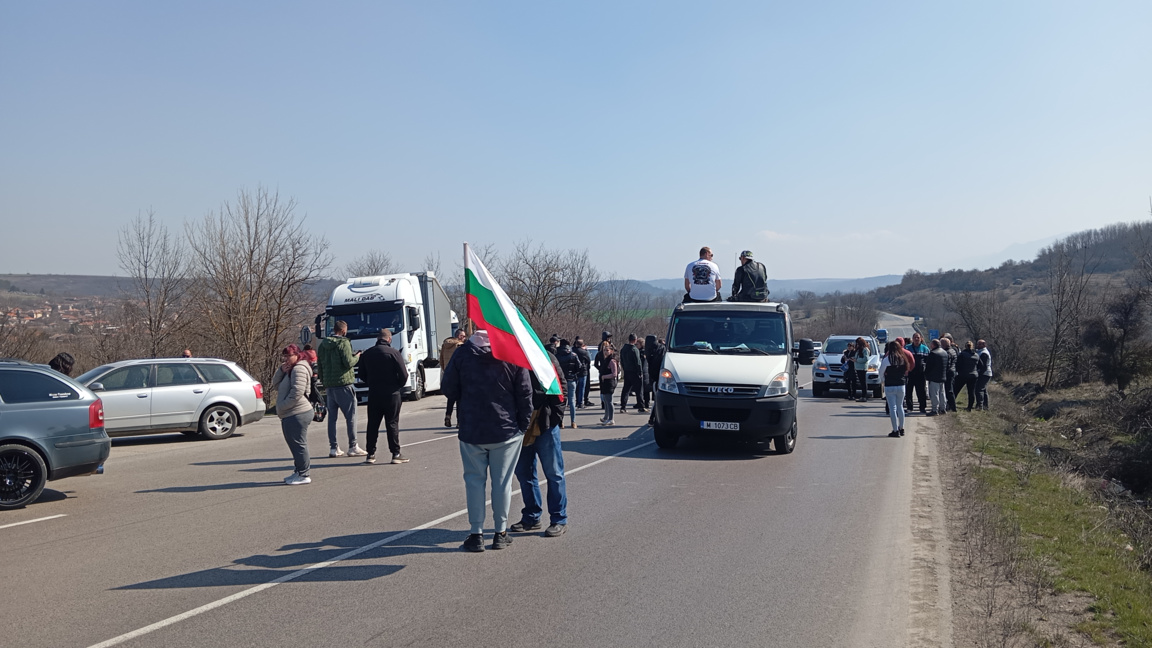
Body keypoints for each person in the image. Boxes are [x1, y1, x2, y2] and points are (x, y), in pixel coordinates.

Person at [442, 330, 532, 552]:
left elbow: (448, 389)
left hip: (472, 428)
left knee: (474, 482)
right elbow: (525, 392)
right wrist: (523, 425)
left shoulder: (462, 354)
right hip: (506, 429)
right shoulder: (511, 352)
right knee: (502, 483)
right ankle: (500, 533)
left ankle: (476, 533)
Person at [510, 349, 568, 538]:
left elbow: (561, 389)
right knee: (524, 473)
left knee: (554, 473)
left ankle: (559, 519)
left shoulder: (546, 358)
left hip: (546, 423)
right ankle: (532, 516)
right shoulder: (511, 357)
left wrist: (555, 417)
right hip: (521, 425)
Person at [359, 329, 410, 465]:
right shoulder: (394, 353)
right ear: (389, 339)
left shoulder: (367, 353)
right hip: (392, 393)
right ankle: (395, 453)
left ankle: (370, 454)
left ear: (378, 339)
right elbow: (404, 374)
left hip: (374, 393)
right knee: (392, 423)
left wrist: (371, 382)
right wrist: (397, 386)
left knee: (373, 424)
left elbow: (361, 374)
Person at [317, 320, 367, 458]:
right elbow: (348, 363)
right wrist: (357, 356)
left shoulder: (322, 345)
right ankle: (353, 446)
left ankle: (334, 447)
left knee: (332, 418)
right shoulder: (343, 343)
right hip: (344, 384)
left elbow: (320, 365)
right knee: (351, 417)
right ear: (344, 331)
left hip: (329, 385)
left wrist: (324, 381)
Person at [272, 345, 314, 485]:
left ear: (297, 354)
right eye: (284, 356)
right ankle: (299, 471)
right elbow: (276, 386)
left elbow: (297, 393)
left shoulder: (299, 369)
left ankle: (304, 474)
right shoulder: (290, 369)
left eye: (289, 356)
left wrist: (282, 406)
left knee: (299, 444)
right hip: (290, 413)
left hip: (298, 412)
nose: (286, 360)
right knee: (294, 445)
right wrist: (281, 371)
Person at [879, 341, 910, 437]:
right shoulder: (903, 359)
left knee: (893, 408)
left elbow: (881, 372)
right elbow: (906, 370)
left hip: (890, 385)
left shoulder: (887, 359)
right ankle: (902, 428)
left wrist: (884, 380)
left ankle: (895, 430)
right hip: (901, 385)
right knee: (900, 406)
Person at [440, 329, 467, 427]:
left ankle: (448, 415)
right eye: (463, 336)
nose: (464, 338)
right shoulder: (459, 346)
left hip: (448, 374)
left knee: (451, 398)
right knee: (459, 399)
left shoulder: (445, 345)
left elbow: (441, 360)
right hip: (458, 375)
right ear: (459, 336)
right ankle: (459, 421)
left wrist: (446, 370)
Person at [555, 339, 583, 428]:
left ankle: (561, 422)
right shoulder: (573, 355)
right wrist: (574, 373)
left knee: (561, 401)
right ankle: (573, 422)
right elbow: (579, 367)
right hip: (571, 379)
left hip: (560, 381)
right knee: (572, 401)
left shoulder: (557, 355)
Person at [618, 333, 645, 413]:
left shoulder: (623, 349)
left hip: (626, 371)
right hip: (635, 372)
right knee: (639, 389)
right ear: (635, 340)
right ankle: (641, 406)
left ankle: (623, 406)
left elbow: (622, 360)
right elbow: (638, 362)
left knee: (626, 389)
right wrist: (640, 372)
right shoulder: (634, 349)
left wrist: (624, 368)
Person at [904, 333, 930, 414]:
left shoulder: (925, 349)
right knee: (908, 391)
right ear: (912, 339)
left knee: (921, 391)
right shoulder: (907, 348)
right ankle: (909, 407)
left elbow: (928, 361)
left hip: (920, 374)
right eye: (915, 337)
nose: (916, 339)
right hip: (910, 373)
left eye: (918, 338)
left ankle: (922, 407)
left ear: (921, 338)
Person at [596, 341, 619, 426]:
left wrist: (605, 376)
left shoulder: (612, 361)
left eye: (607, 350)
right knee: (605, 400)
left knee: (609, 401)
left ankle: (611, 419)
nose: (605, 352)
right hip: (604, 383)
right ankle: (606, 417)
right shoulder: (606, 359)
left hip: (609, 382)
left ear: (611, 351)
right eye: (604, 350)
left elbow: (614, 374)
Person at [644, 334, 664, 424]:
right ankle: (652, 419)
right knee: (657, 400)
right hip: (660, 376)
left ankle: (652, 418)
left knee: (657, 399)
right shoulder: (660, 349)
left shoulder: (648, 351)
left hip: (654, 377)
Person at [925, 339, 949, 416]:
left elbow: (929, 366)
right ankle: (943, 408)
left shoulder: (933, 353)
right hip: (942, 376)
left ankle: (935, 409)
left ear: (933, 345)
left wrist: (926, 374)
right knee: (942, 393)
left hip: (934, 376)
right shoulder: (944, 352)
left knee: (934, 394)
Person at [955, 341, 980, 411]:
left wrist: (958, 371)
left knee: (956, 390)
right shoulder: (976, 355)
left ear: (965, 346)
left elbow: (958, 364)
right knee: (971, 392)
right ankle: (969, 407)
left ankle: (950, 404)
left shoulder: (962, 354)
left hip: (963, 375)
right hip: (973, 375)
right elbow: (981, 365)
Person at [572, 337, 592, 408]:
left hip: (574, 371)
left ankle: (576, 401)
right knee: (581, 387)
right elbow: (588, 360)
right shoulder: (584, 352)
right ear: (582, 344)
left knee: (576, 388)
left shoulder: (572, 351)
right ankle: (580, 403)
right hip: (583, 371)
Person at [941, 336, 958, 412]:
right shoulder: (953, 350)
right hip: (953, 371)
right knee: (949, 390)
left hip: (949, 372)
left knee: (949, 390)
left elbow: (947, 364)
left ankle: (952, 407)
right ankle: (951, 406)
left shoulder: (947, 352)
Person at [851, 337, 871, 402]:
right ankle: (863, 396)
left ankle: (864, 396)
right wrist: (853, 358)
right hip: (858, 367)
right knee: (861, 382)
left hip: (862, 368)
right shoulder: (858, 350)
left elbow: (866, 359)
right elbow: (858, 357)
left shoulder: (865, 350)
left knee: (863, 382)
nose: (857, 344)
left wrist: (856, 360)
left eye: (857, 343)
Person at [975, 339, 993, 411]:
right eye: (978, 344)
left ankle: (980, 405)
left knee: (979, 389)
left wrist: (979, 374)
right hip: (986, 373)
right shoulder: (980, 352)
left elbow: (984, 366)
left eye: (980, 344)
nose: (978, 345)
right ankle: (985, 406)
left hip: (984, 373)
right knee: (983, 390)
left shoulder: (984, 353)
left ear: (984, 345)